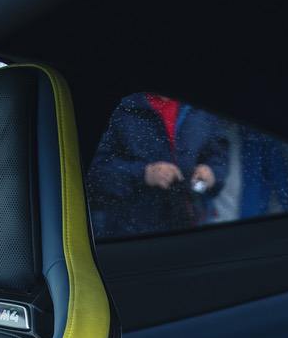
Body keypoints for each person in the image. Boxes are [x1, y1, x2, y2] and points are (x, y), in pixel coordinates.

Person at [87, 93, 229, 239]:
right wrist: (144, 174)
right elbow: (93, 172)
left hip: (193, 225)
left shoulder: (199, 107)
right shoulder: (121, 106)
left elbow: (219, 154)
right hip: (131, 233)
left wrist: (211, 173)